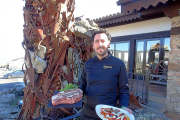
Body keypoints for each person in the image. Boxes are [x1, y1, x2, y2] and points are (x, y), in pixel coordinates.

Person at [79, 28, 131, 120]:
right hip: (87, 114)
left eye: (103, 41)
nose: (100, 44)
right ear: (93, 45)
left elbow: (124, 90)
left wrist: (123, 107)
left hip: (108, 114)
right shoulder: (88, 64)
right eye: (97, 41)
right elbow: (82, 84)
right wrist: (76, 93)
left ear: (109, 44)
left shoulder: (118, 64)